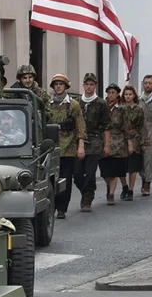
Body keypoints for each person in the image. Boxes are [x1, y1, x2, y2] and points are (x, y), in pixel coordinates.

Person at [46, 74, 86, 218]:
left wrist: (80, 145)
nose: (58, 87)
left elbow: (80, 125)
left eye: (61, 84)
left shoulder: (73, 104)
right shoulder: (48, 103)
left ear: (66, 87)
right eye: (56, 84)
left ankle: (62, 208)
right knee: (51, 179)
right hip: (51, 147)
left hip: (68, 148)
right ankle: (52, 205)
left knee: (65, 178)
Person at [77, 73, 108, 212]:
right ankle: (85, 191)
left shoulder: (101, 103)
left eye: (91, 84)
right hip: (79, 141)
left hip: (95, 141)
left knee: (90, 173)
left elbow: (107, 125)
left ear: (95, 86)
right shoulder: (77, 102)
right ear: (83, 85)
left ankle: (87, 198)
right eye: (87, 84)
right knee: (77, 173)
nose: (89, 87)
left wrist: (107, 144)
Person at [119, 84, 146, 201]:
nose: (128, 97)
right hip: (121, 138)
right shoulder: (120, 108)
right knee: (120, 165)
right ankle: (124, 186)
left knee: (133, 166)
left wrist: (144, 141)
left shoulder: (138, 109)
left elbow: (142, 125)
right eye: (126, 94)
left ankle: (130, 189)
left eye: (130, 94)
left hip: (135, 137)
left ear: (134, 95)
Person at [101, 83, 126, 204]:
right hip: (103, 140)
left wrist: (129, 142)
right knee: (104, 169)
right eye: (109, 92)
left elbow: (126, 125)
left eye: (113, 93)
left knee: (114, 169)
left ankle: (111, 193)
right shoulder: (102, 106)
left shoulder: (121, 109)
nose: (110, 95)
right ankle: (109, 184)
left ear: (117, 95)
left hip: (118, 140)